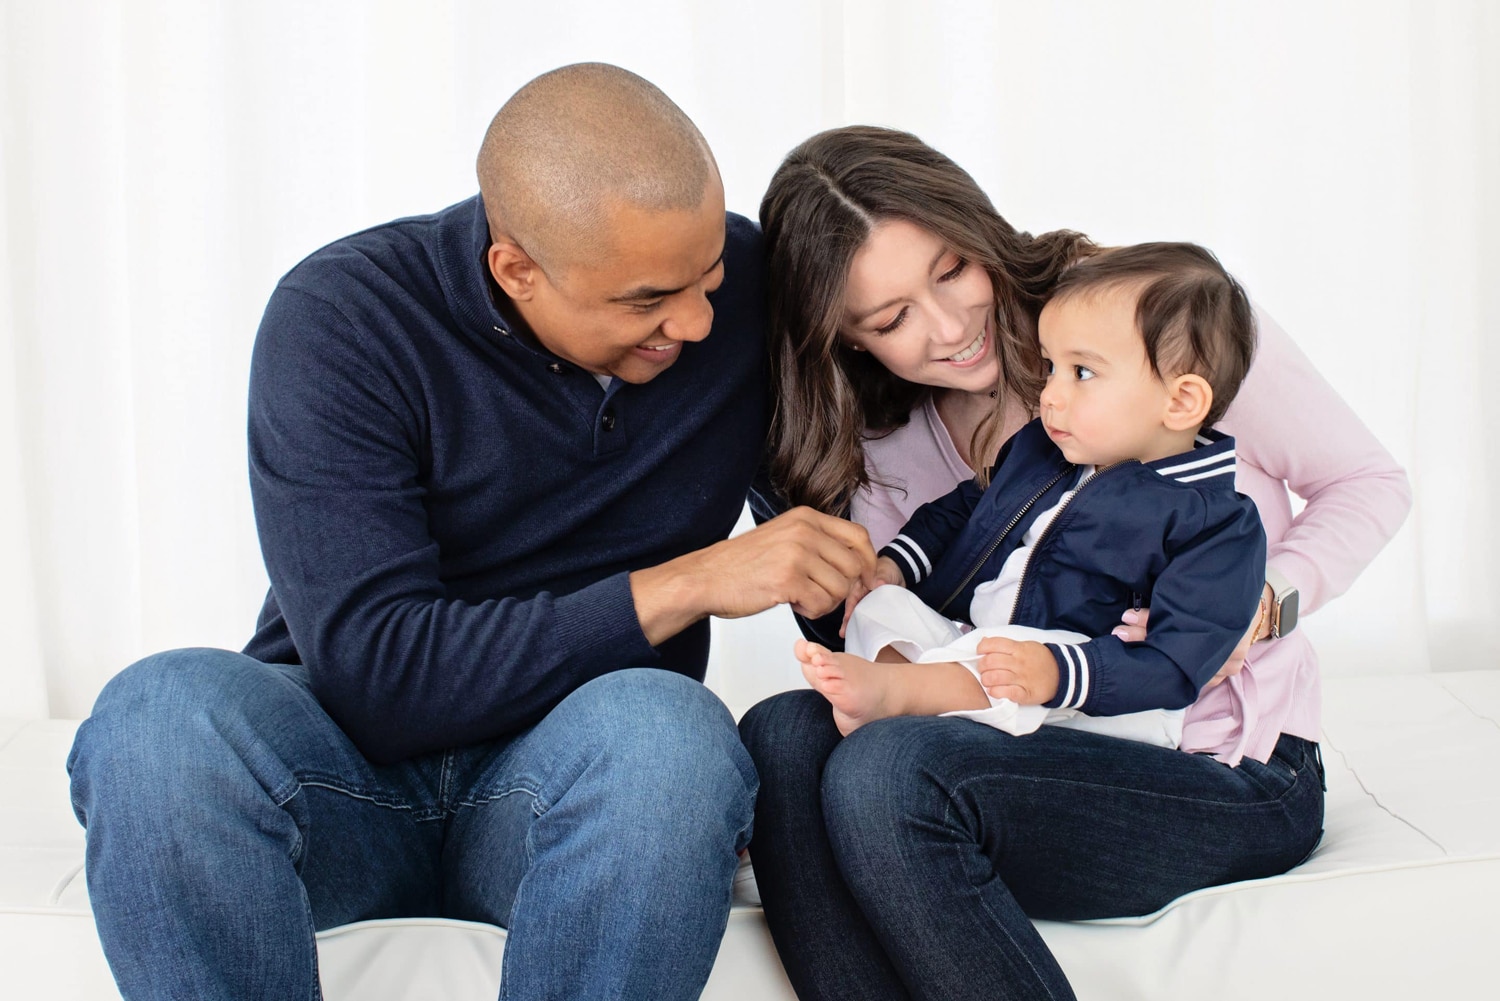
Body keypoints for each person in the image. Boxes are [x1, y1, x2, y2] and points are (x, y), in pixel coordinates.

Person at [66, 64, 877, 1001]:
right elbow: (381, 678)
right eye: (647, 300)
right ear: (515, 269)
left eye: (709, 279)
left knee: (673, 742)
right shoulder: (344, 318)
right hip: (339, 777)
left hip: (575, 788)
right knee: (157, 717)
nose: (695, 322)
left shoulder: (730, 306)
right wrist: (686, 582)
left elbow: (920, 392)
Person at [740, 126, 1412, 1001]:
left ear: (977, 228)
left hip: (1215, 761)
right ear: (847, 339)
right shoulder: (878, 447)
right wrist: (884, 637)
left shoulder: (1154, 319)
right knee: (783, 735)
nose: (949, 327)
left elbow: (1365, 482)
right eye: (892, 318)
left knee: (890, 773)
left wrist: (1265, 602)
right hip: (1023, 739)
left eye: (951, 271)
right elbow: (918, 627)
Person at [799, 242, 1266, 752]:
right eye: (1050, 367)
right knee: (883, 605)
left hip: (1091, 695)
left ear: (1180, 401)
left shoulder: (1215, 522)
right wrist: (896, 565)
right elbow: (964, 508)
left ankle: (905, 695)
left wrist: (1058, 674)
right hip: (980, 643)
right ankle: (912, 699)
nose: (1049, 394)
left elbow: (1177, 664)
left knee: (1014, 650)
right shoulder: (1045, 451)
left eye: (1081, 373)